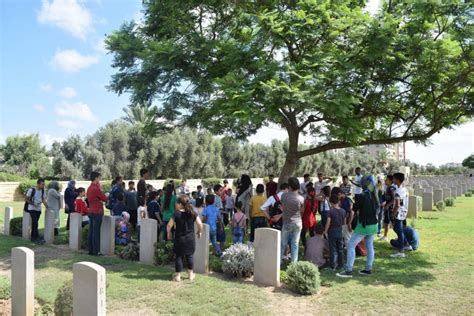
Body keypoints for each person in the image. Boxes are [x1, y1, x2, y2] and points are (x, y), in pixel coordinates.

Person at [337, 175, 379, 278]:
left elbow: (354, 209)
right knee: (369, 246)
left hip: (364, 225)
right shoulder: (375, 195)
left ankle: (348, 270)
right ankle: (368, 269)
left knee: (351, 245)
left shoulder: (361, 196)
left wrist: (353, 202)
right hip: (374, 225)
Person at [167, 195, 203, 282]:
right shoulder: (192, 212)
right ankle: (190, 275)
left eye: (177, 203)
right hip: (190, 239)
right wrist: (200, 231)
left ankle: (178, 276)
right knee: (190, 256)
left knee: (179, 256)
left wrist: (169, 233)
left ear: (179, 204)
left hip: (179, 239)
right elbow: (199, 223)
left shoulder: (176, 213)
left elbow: (169, 225)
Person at [281, 177, 305, 263]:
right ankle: (294, 264)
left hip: (287, 222)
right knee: (295, 244)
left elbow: (283, 207)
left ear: (289, 187)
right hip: (298, 222)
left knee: (283, 243)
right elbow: (302, 211)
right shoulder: (301, 198)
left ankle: (279, 261)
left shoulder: (284, 196)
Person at [86, 171, 108, 256]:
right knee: (96, 232)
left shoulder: (89, 188)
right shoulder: (96, 188)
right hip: (97, 211)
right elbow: (104, 198)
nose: (99, 180)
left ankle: (91, 250)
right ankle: (96, 251)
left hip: (91, 210)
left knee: (92, 231)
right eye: (98, 178)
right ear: (96, 178)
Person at [324, 195, 346, 271]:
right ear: (338, 202)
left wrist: (325, 231)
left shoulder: (331, 211)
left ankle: (332, 266)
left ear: (331, 203)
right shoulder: (343, 211)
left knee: (332, 249)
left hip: (332, 231)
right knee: (340, 248)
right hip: (340, 230)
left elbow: (328, 222)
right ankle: (341, 264)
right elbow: (344, 222)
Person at [390, 172, 409, 258]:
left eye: (394, 179)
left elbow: (397, 204)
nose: (393, 180)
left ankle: (401, 251)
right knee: (397, 229)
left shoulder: (398, 191)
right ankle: (406, 244)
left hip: (399, 213)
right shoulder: (404, 189)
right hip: (403, 212)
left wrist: (393, 214)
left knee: (399, 231)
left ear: (397, 180)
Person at [25, 178, 48, 243]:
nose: (43, 186)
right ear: (38, 184)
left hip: (38, 209)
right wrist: (33, 203)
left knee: (35, 223)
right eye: (42, 184)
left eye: (43, 184)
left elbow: (43, 200)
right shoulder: (31, 190)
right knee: (35, 222)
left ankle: (34, 236)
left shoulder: (43, 191)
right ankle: (35, 237)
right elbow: (26, 199)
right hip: (32, 208)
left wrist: (47, 207)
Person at [380, 175, 396, 241]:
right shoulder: (387, 188)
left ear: (390, 181)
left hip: (390, 209)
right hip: (387, 208)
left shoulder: (392, 188)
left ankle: (401, 237)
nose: (385, 181)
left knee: (394, 224)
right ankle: (385, 236)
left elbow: (394, 199)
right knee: (386, 222)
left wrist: (387, 205)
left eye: (386, 180)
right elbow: (385, 197)